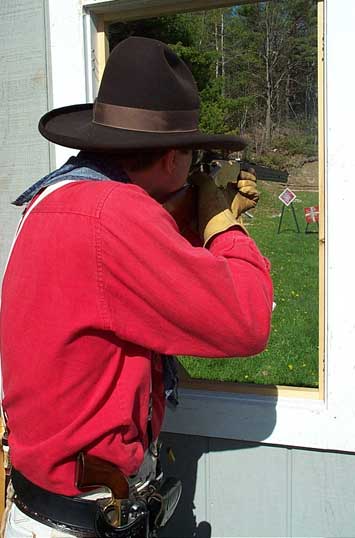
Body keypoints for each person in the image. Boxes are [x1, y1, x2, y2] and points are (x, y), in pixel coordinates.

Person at [0, 36, 273, 538]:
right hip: (86, 520)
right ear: (171, 158)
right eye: (192, 159)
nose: (194, 171)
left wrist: (194, 218)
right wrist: (222, 226)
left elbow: (143, 281)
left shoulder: (62, 198)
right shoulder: (115, 216)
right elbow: (247, 322)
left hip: (58, 506)